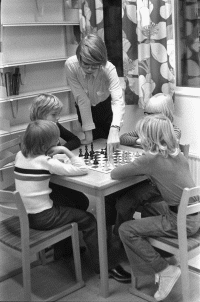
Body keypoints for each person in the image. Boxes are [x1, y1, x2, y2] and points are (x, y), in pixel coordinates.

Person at [14, 120, 131, 283]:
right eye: (54, 141)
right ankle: (105, 268)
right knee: (89, 220)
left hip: (25, 216)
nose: (57, 142)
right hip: (44, 217)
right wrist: (64, 151)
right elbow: (82, 169)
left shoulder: (20, 155)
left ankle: (63, 251)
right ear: (46, 144)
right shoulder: (45, 162)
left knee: (76, 203)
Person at [111, 114, 200, 301]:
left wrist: (137, 160)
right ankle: (164, 259)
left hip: (180, 222)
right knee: (146, 209)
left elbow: (115, 174)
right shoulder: (178, 154)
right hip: (194, 216)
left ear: (148, 137)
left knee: (125, 229)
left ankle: (164, 270)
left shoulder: (150, 160)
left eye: (142, 135)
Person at [113, 93, 182, 234]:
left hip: (158, 183)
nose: (147, 117)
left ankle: (121, 236)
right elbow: (124, 137)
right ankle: (117, 232)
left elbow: (166, 143)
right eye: (146, 113)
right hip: (146, 177)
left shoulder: (172, 131)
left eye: (151, 114)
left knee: (124, 203)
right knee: (113, 197)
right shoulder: (146, 129)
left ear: (164, 115)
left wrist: (146, 141)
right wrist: (139, 140)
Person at [65, 33, 125, 157]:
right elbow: (82, 99)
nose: (90, 69)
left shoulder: (109, 69)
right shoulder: (71, 65)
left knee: (109, 145)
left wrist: (115, 129)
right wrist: (88, 135)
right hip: (84, 107)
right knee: (94, 146)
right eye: (86, 64)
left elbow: (117, 100)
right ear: (79, 58)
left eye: (95, 65)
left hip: (106, 106)